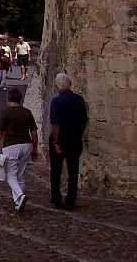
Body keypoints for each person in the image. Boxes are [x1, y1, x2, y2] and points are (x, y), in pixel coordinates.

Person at [0, 89, 38, 212]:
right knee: (19, 175)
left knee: (10, 175)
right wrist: (35, 149)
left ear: (8, 99)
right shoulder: (27, 112)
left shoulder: (5, 113)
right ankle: (18, 202)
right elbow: (34, 132)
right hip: (27, 145)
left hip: (11, 146)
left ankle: (20, 196)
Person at [49, 73, 88, 210]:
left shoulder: (56, 101)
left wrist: (56, 142)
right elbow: (84, 120)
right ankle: (71, 198)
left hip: (61, 138)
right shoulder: (79, 100)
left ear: (57, 86)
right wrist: (79, 133)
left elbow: (56, 124)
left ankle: (56, 198)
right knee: (73, 170)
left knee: (56, 170)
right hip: (75, 138)